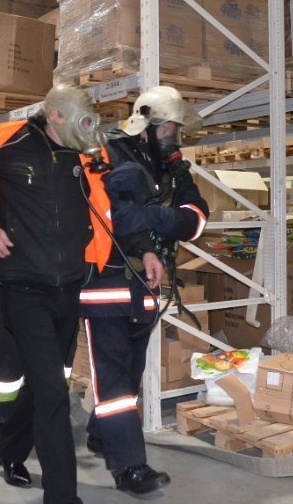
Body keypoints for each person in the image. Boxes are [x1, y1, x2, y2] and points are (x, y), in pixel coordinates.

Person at [0, 83, 113, 504]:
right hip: (22, 286)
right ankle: (62, 495)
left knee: (44, 384)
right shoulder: (4, 144)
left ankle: (8, 450)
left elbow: (107, 206)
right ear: (55, 115)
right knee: (53, 392)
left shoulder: (87, 154)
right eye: (81, 117)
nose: (87, 127)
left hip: (69, 285)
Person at [79, 86, 209, 495]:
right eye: (167, 128)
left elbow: (196, 218)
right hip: (106, 281)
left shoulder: (173, 168)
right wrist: (163, 219)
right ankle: (130, 468)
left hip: (145, 282)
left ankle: (101, 434)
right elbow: (117, 216)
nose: (173, 137)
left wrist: (155, 218)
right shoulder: (110, 154)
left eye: (176, 129)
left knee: (130, 372)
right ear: (145, 124)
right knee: (114, 379)